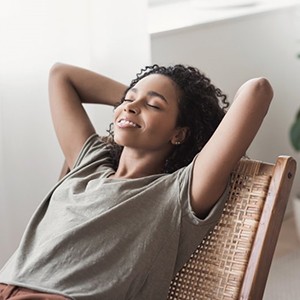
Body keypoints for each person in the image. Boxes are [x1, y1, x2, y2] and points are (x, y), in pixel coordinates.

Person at [0, 63, 273, 300]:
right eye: (127, 99)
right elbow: (61, 74)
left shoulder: (178, 193)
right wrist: (136, 107)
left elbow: (257, 90)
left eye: (154, 105)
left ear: (179, 133)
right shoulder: (90, 163)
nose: (130, 106)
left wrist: (191, 114)